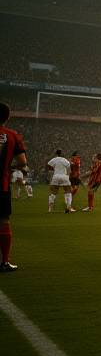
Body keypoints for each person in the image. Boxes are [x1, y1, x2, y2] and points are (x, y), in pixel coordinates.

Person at [1, 101, 29, 272]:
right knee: (3, 222)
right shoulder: (12, 135)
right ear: (8, 117)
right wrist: (8, 167)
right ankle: (5, 262)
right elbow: (22, 163)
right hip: (1, 185)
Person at [48, 149, 75, 213]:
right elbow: (69, 169)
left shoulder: (54, 159)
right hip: (64, 176)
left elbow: (49, 166)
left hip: (56, 176)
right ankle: (69, 206)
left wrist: (52, 172)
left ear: (56, 153)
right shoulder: (65, 160)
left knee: (53, 192)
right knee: (68, 191)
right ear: (62, 154)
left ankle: (50, 208)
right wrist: (67, 176)